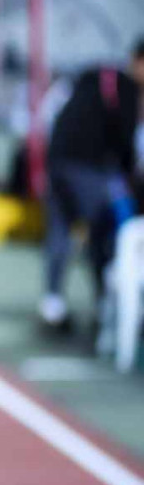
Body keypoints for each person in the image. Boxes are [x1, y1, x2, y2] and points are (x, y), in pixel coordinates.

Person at [38, 40, 144, 332]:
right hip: (86, 168)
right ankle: (104, 307)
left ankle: (52, 304)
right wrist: (129, 174)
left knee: (60, 230)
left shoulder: (95, 77)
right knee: (99, 232)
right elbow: (125, 141)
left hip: (57, 160)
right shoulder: (127, 89)